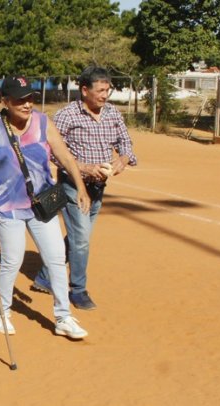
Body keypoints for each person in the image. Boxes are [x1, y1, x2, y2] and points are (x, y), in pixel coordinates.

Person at [0, 76, 91, 339]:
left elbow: (65, 156)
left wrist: (80, 187)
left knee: (57, 258)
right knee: (13, 260)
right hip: (7, 204)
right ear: (5, 101)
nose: (26, 105)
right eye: (19, 100)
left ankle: (63, 317)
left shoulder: (43, 122)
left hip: (41, 203)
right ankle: (1, 312)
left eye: (30, 98)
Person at [32, 66, 137, 310]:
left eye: (107, 90)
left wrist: (122, 159)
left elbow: (126, 142)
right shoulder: (68, 115)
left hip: (99, 188)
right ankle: (77, 290)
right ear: (85, 90)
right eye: (100, 90)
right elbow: (52, 150)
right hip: (72, 185)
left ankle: (45, 276)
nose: (105, 95)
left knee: (81, 237)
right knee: (81, 240)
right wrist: (84, 168)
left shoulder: (112, 113)